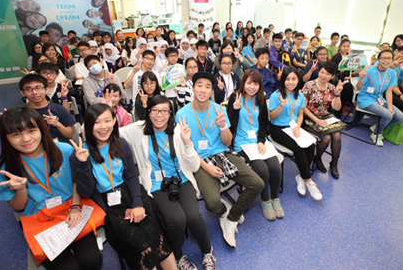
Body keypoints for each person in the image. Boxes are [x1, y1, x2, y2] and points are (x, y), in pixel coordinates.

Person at [0, 107, 102, 270]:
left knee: (92, 260)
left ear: (42, 130)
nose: (25, 138)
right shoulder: (3, 167)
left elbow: (76, 181)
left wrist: (75, 206)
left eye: (31, 131)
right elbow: (18, 207)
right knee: (67, 268)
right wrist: (21, 189)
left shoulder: (65, 150)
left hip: (71, 210)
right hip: (38, 218)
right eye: (16, 134)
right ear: (5, 138)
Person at [70, 104, 177, 269]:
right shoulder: (80, 153)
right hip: (106, 203)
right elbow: (86, 191)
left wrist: (138, 204)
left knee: (157, 235)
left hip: (130, 192)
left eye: (107, 120)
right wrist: (83, 164)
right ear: (89, 125)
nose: (103, 127)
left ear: (114, 121)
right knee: (140, 245)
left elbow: (132, 176)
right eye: (97, 122)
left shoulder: (121, 143)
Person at [120, 95, 217, 270]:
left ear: (170, 113)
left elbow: (194, 166)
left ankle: (207, 251)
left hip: (181, 179)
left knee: (194, 218)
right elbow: (109, 132)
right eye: (155, 110)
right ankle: (178, 257)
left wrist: (187, 143)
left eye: (165, 111)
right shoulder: (137, 130)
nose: (160, 115)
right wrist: (107, 110)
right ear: (148, 112)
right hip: (156, 185)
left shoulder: (179, 130)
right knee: (176, 220)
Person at [175, 72, 264, 248]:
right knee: (212, 204)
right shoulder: (182, 115)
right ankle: (225, 210)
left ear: (211, 90)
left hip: (222, 153)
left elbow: (228, 142)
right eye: (199, 85)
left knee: (258, 183)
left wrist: (223, 126)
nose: (203, 90)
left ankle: (231, 218)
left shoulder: (219, 109)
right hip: (199, 160)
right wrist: (207, 168)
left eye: (208, 86)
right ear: (192, 88)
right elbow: (187, 150)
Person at [227, 69, 283, 221]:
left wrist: (260, 140)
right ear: (243, 83)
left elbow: (264, 122)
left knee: (275, 166)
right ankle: (265, 200)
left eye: (255, 84)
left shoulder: (261, 99)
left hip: (258, 142)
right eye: (249, 83)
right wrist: (234, 110)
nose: (252, 87)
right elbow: (228, 125)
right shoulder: (235, 98)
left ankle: (275, 198)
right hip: (242, 145)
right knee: (262, 169)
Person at [268, 67, 321, 200]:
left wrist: (297, 127)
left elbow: (300, 114)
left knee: (311, 145)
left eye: (294, 79)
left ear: (298, 80)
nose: (290, 82)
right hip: (277, 128)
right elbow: (272, 117)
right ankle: (309, 181)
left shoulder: (300, 95)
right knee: (298, 148)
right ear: (283, 80)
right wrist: (281, 106)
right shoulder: (276, 95)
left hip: (293, 128)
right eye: (287, 79)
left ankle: (301, 176)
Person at [302, 62, 344, 178]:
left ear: (333, 76)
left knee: (337, 136)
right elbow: (303, 108)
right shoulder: (309, 85)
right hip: (309, 117)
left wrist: (337, 95)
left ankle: (334, 164)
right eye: (322, 72)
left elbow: (336, 107)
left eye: (328, 74)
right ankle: (318, 158)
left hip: (325, 116)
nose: (324, 76)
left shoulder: (331, 87)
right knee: (326, 138)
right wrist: (317, 120)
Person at [356, 50, 403, 146]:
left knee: (400, 117)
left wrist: (390, 107)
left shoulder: (392, 73)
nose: (386, 60)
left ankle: (376, 127)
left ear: (392, 60)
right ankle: (377, 133)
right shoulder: (369, 71)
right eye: (383, 58)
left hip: (379, 99)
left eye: (389, 58)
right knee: (387, 115)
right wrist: (361, 78)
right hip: (366, 99)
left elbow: (389, 91)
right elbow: (358, 88)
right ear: (378, 59)